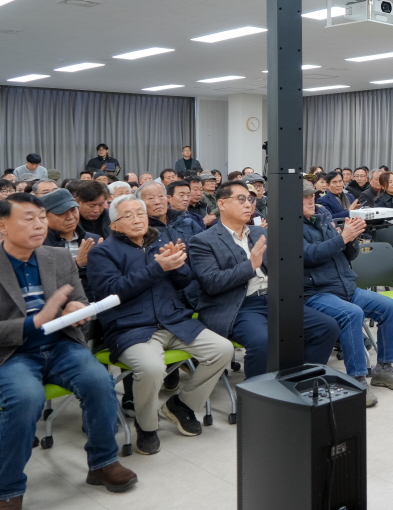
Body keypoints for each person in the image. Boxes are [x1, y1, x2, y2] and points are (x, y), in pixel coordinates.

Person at [0, 193, 139, 505]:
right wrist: (35, 322)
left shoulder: (58, 257)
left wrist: (77, 309)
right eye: (28, 218)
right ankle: (8, 488)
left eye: (40, 217)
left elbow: (79, 302)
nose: (38, 225)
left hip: (62, 345)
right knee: (26, 398)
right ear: (2, 226)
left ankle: (103, 463)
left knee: (99, 381)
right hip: (13, 354)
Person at [87, 195, 233, 455]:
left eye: (140, 214)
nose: (137, 219)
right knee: (152, 367)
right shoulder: (102, 252)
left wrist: (177, 266)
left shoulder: (160, 242)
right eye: (128, 216)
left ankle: (182, 405)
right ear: (114, 225)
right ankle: (147, 426)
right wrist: (158, 268)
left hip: (173, 320)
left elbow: (184, 281)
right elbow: (111, 293)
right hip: (131, 327)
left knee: (222, 349)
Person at [187, 181, 341, 378]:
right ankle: (256, 401)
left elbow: (280, 268)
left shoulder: (261, 233)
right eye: (241, 199)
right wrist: (250, 265)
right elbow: (211, 283)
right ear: (222, 204)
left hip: (272, 299)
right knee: (262, 340)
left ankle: (302, 381)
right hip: (237, 305)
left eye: (251, 200)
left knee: (327, 326)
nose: (248, 204)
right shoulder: (203, 240)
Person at [301, 182, 393, 407]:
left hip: (346, 286)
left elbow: (349, 255)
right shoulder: (286, 227)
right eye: (304, 198)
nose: (311, 200)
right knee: (352, 314)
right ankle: (357, 378)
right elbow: (309, 255)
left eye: (311, 196)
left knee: (388, 307)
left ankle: (384, 368)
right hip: (316, 293)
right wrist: (341, 239)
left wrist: (352, 238)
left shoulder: (322, 216)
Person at [40, 188, 102, 300]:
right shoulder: (40, 246)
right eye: (61, 213)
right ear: (44, 217)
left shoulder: (93, 239)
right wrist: (77, 264)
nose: (70, 217)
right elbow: (46, 283)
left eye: (73, 210)